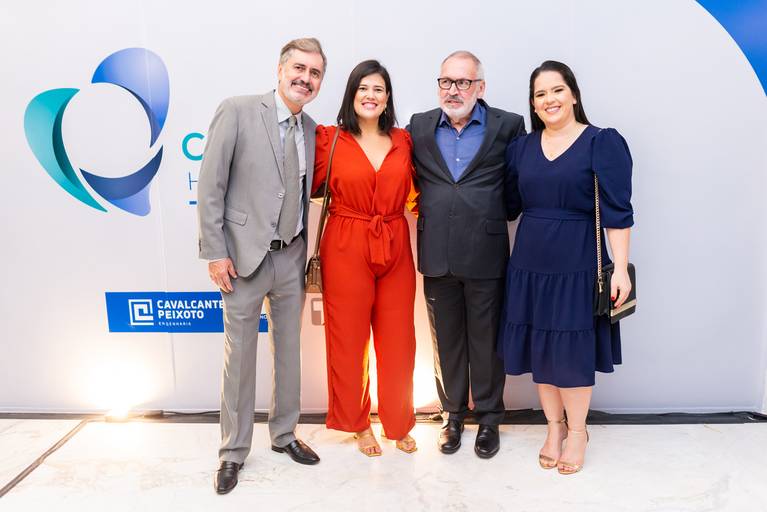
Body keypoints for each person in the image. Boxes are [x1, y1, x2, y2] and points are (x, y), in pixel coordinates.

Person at [197, 38, 326, 495]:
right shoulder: (237, 110)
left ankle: (285, 433)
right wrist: (215, 252)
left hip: (290, 256)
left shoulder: (312, 129)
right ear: (280, 69)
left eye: (314, 73)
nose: (305, 79)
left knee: (289, 352)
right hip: (242, 258)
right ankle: (233, 451)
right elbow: (210, 186)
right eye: (299, 68)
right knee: (239, 358)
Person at [498, 60, 634, 475]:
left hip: (578, 262)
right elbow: (509, 205)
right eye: (540, 94)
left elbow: (618, 213)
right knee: (541, 347)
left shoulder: (601, 142)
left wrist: (621, 269)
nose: (549, 100)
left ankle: (577, 432)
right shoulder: (521, 148)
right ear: (532, 104)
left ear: (573, 95)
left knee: (572, 353)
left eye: (557, 90)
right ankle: (553, 428)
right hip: (529, 264)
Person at [408, 51, 526, 458]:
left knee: (487, 341)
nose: (453, 90)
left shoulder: (508, 126)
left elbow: (514, 189)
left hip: (486, 251)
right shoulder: (419, 125)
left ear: (480, 87)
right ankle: (453, 416)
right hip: (436, 252)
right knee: (446, 342)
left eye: (463, 82)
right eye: (446, 81)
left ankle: (490, 418)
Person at [313, 60, 417, 457]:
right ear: (351, 94)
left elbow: (419, 192)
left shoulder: (404, 140)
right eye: (363, 88)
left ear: (388, 97)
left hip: (393, 239)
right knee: (348, 339)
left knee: (399, 340)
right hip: (345, 241)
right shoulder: (329, 139)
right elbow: (303, 186)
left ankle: (399, 422)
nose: (370, 96)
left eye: (378, 89)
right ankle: (358, 424)